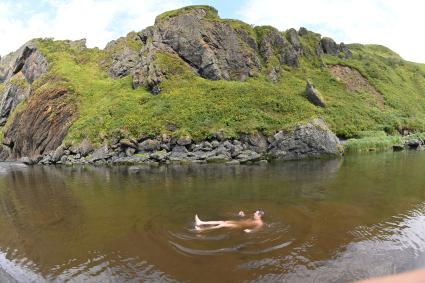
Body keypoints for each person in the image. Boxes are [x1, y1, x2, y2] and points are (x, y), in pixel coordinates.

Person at [195, 210, 265, 233]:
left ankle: (201, 230)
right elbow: (246, 219)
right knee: (221, 221)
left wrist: (250, 231)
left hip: (239, 226)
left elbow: (258, 229)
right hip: (238, 223)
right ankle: (201, 222)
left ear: (259, 215)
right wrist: (242, 215)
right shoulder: (253, 218)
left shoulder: (259, 222)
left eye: (255, 213)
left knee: (223, 225)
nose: (254, 213)